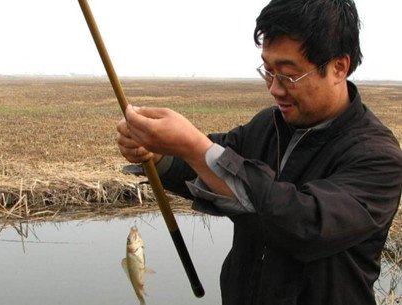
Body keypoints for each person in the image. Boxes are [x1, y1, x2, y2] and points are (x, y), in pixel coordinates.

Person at [116, 0, 402, 304]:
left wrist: (193, 146)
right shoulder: (268, 125)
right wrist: (158, 154)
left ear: (338, 67)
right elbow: (210, 167)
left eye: (289, 75)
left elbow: (303, 224)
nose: (275, 89)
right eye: (268, 71)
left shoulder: (378, 159)